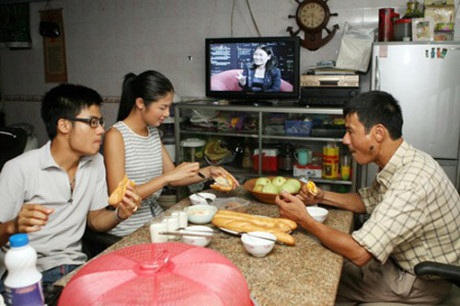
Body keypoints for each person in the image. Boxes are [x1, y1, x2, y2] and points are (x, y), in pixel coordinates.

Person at [275, 91, 460, 304]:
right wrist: (321, 197)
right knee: (327, 265)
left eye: (350, 131)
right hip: (397, 263)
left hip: (419, 281)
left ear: (378, 133)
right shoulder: (404, 162)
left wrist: (303, 219)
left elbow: (359, 252)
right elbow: (366, 202)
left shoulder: (411, 184)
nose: (345, 140)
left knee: (317, 281)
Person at [0, 84, 141, 290]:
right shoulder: (19, 169)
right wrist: (13, 226)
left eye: (101, 122)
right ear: (64, 125)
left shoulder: (94, 163)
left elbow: (95, 220)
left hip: (74, 268)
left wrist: (120, 213)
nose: (101, 129)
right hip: (29, 274)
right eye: (93, 122)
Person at [103, 70, 239, 237]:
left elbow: (174, 178)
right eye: (163, 107)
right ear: (140, 103)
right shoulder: (115, 136)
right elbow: (120, 197)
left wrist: (209, 171)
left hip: (156, 221)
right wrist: (166, 178)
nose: (167, 113)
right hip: (129, 229)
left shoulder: (151, 132)